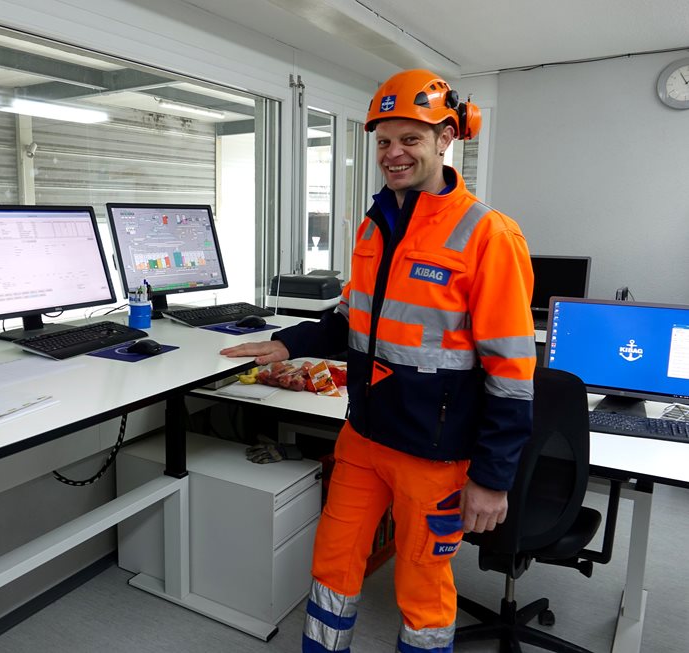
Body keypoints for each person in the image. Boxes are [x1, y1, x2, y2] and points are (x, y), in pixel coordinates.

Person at [221, 69, 536, 653]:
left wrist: (493, 478)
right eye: (384, 140)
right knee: (333, 565)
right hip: (364, 437)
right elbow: (352, 319)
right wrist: (287, 343)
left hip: (434, 455)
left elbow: (512, 373)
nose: (394, 153)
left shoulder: (488, 234)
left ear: (446, 138)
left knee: (422, 589)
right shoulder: (374, 225)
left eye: (410, 139)